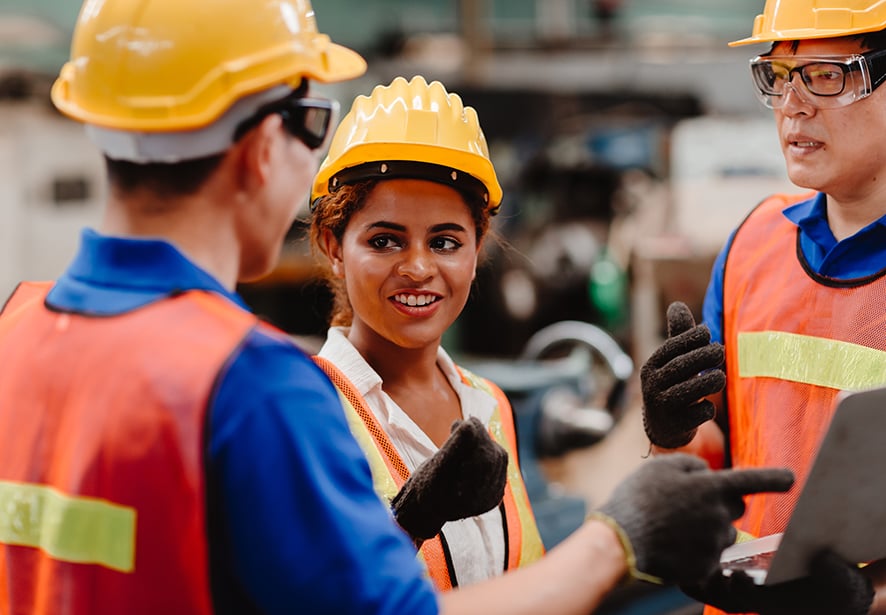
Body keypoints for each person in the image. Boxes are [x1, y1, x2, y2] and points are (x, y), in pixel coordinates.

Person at [0, 0, 795, 613]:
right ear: (262, 147)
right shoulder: (246, 383)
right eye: (310, 125)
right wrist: (616, 536)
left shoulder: (19, 329)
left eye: (448, 240)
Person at [639, 1, 886, 613]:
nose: (793, 105)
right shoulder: (754, 243)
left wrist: (865, 599)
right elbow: (711, 465)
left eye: (828, 74)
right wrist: (670, 435)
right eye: (778, 77)